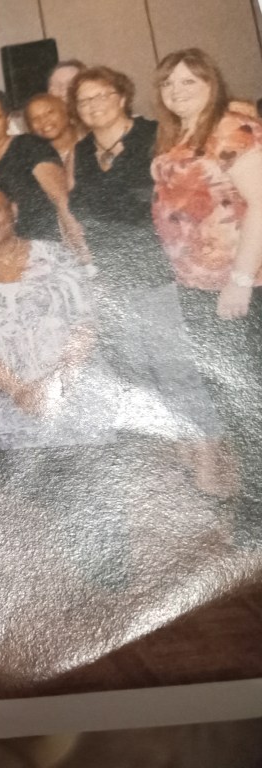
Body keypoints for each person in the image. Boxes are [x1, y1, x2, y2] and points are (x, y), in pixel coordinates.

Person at [0, 182, 126, 584]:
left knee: (84, 463)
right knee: (36, 474)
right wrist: (19, 390)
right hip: (5, 393)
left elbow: (85, 324)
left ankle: (100, 559)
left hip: (70, 381)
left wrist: (57, 383)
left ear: (13, 210)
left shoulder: (58, 257)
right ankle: (48, 560)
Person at [68, 65, 229, 497]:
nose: (93, 105)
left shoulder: (153, 135)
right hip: (114, 276)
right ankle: (186, 452)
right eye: (83, 100)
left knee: (176, 370)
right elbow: (82, 217)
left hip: (158, 270)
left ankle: (208, 461)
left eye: (101, 95)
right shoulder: (81, 151)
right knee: (144, 373)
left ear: (122, 96)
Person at [151, 48, 262, 517]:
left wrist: (240, 280)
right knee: (231, 399)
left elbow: (260, 203)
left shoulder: (230, 127)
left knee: (249, 398)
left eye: (188, 82)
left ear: (211, 83)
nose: (176, 91)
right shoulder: (179, 134)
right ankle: (252, 509)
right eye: (168, 83)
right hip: (197, 287)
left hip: (240, 286)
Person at [0, 88, 84, 250]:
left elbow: (62, 200)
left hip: (36, 250)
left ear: (7, 120)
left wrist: (79, 247)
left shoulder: (28, 146)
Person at [24, 93, 79, 186]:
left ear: (65, 111)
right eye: (35, 118)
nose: (43, 121)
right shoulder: (34, 160)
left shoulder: (90, 142)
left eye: (50, 112)